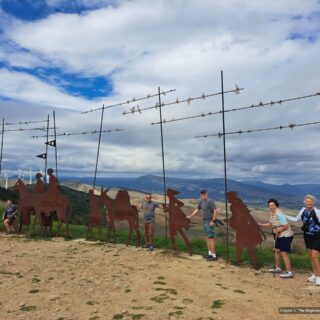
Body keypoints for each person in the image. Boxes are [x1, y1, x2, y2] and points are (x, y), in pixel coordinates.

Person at [286, 195, 320, 285]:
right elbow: (295, 219)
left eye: (310, 201)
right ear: (304, 202)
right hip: (307, 236)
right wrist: (284, 216)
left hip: (317, 236)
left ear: (313, 202)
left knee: (314, 256)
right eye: (307, 201)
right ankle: (315, 274)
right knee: (310, 256)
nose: (309, 203)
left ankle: (319, 277)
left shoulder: (317, 212)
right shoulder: (303, 211)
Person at [258, 199, 294, 278]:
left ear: (276, 205)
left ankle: (289, 272)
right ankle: (278, 268)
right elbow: (271, 223)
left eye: (272, 205)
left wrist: (278, 230)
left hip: (286, 235)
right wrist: (261, 225)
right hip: (278, 235)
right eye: (270, 205)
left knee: (284, 253)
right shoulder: (272, 214)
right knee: (276, 251)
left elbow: (285, 226)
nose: (271, 207)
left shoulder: (279, 214)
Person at [187, 190, 218, 261]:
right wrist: (190, 216)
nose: (203, 196)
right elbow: (197, 209)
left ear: (207, 194)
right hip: (204, 222)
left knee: (211, 239)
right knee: (207, 238)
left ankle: (214, 256)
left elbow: (215, 211)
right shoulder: (201, 201)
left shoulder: (210, 201)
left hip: (209, 222)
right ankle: (210, 254)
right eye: (202, 195)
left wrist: (213, 221)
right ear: (200, 195)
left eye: (204, 195)